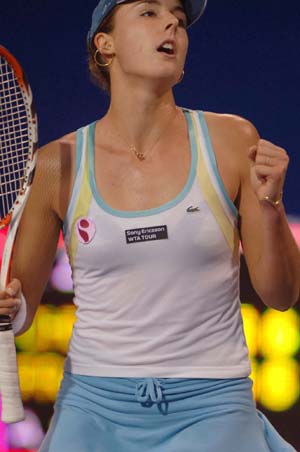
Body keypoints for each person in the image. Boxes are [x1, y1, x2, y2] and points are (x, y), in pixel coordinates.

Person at [1, 0, 299, 450]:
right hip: (92, 408)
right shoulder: (57, 164)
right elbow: (19, 312)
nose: (171, 24)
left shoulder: (234, 142)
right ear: (105, 45)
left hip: (213, 406)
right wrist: (8, 308)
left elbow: (281, 296)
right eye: (148, 11)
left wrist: (271, 204)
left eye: (178, 19)